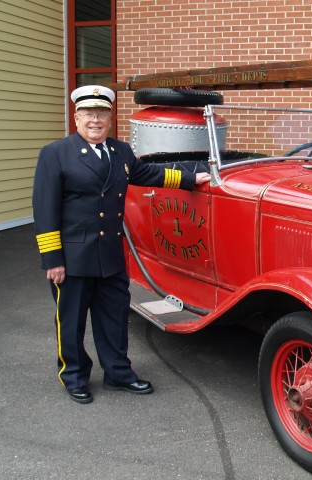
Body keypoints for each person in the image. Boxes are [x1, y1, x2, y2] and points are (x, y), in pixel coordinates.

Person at [32, 85, 211, 404]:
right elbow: (45, 210)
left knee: (113, 319)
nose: (96, 120)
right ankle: (73, 376)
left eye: (102, 114)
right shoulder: (55, 154)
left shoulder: (121, 152)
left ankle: (118, 373)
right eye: (89, 114)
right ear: (76, 117)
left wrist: (189, 178)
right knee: (71, 322)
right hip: (72, 258)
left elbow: (149, 174)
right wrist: (52, 259)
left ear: (110, 118)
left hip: (111, 255)